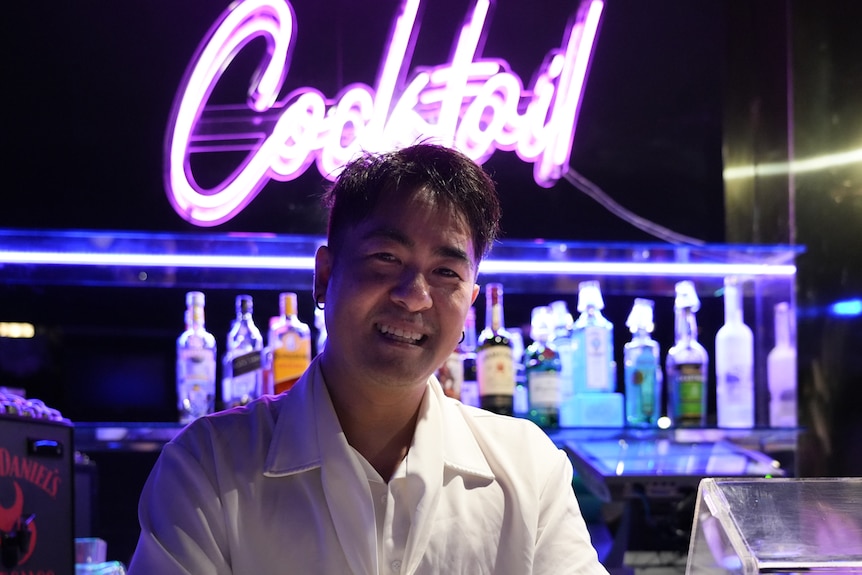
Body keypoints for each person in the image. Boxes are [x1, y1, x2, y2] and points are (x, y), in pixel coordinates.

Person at [127, 143, 608, 574]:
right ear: (325, 275)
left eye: (445, 272)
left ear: (470, 305)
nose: (414, 296)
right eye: (386, 257)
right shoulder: (207, 466)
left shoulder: (528, 468)